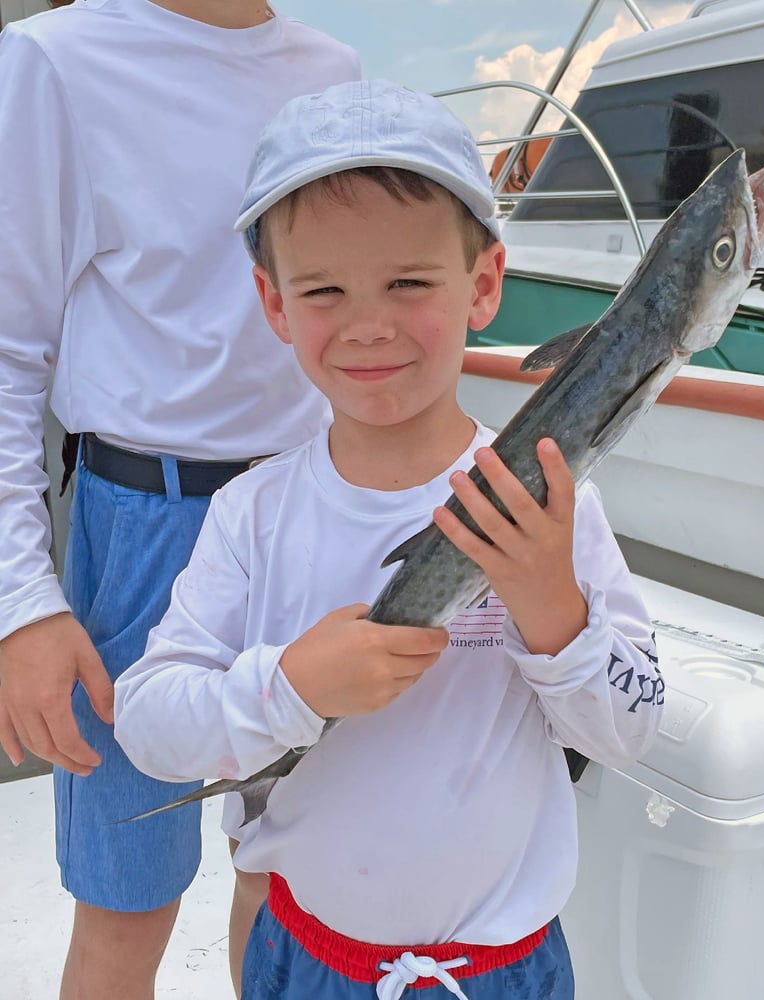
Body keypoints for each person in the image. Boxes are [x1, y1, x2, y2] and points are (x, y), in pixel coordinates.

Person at [113, 78, 665, 999]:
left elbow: (632, 727)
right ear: (275, 302)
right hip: (307, 961)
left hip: (507, 970)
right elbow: (149, 720)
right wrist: (288, 688)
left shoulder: (553, 502)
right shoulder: (251, 512)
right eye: (324, 288)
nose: (369, 324)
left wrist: (548, 606)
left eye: (409, 281)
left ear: (483, 282)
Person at [0, 2, 359, 997]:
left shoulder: (333, 68)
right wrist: (22, 603)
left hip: (312, 512)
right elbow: (6, 344)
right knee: (124, 903)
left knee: (286, 874)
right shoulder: (54, 58)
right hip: (140, 521)